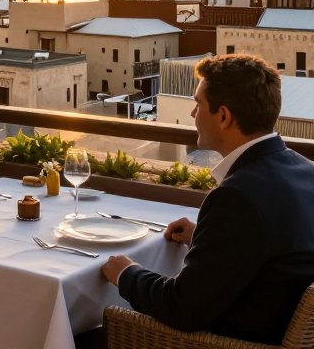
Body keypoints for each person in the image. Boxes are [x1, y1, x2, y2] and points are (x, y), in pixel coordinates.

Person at [101, 54, 314, 345]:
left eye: (198, 104)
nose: (192, 114)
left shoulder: (237, 197)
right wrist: (205, 236)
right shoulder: (305, 171)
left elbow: (182, 308)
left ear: (224, 116)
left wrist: (125, 273)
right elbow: (271, 250)